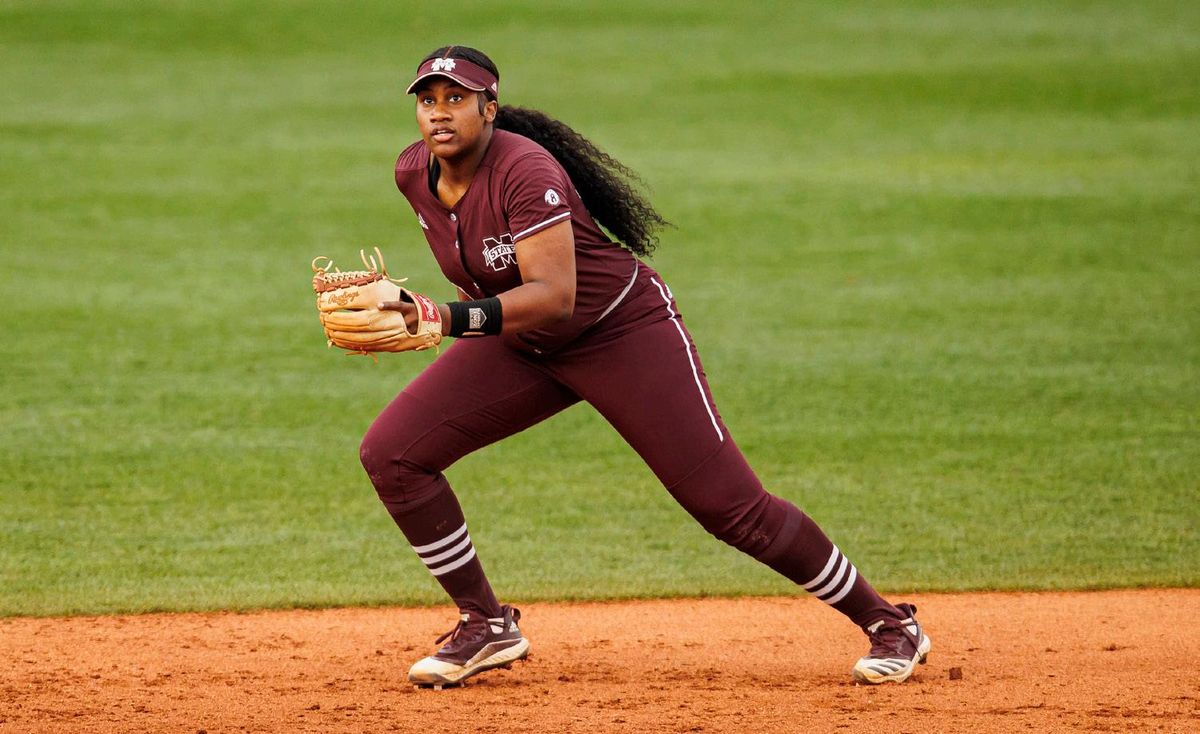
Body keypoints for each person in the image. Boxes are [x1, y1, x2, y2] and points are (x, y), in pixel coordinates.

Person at [358, 45, 931, 688]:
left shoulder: (527, 171)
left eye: (456, 99)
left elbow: (555, 294)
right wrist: (409, 305)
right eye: (428, 101)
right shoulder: (414, 173)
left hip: (621, 334)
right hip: (523, 347)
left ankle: (890, 622)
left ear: (490, 109)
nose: (439, 113)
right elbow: (483, 271)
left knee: (730, 508)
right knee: (392, 454)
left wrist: (444, 318)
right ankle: (486, 623)